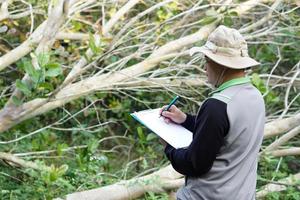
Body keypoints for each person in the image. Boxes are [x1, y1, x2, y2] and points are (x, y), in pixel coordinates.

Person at [159, 25, 265, 200]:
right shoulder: (255, 96)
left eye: (206, 61)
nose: (205, 68)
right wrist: (185, 119)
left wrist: (168, 146)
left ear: (219, 64)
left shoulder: (217, 105)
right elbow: (226, 134)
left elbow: (194, 164)